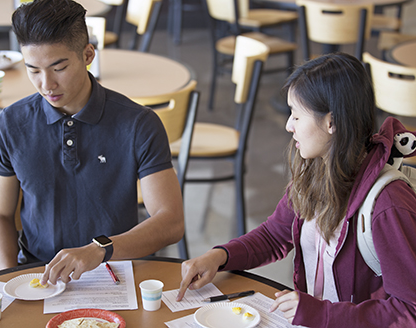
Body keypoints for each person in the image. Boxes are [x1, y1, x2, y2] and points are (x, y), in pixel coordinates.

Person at [176, 53, 416, 327]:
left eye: (297, 115)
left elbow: (409, 311)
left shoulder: (388, 204)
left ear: (331, 122)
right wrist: (219, 256)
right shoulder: (317, 170)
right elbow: (274, 235)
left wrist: (320, 313)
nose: (289, 126)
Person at [0, 0, 184, 285]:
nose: (47, 84)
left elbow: (171, 221)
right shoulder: (10, 124)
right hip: (37, 276)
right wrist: (8, 282)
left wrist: (99, 250)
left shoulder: (138, 123)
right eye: (34, 70)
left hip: (115, 273)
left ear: (88, 54)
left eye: (59, 67)